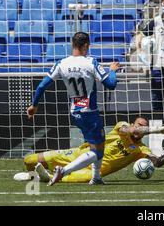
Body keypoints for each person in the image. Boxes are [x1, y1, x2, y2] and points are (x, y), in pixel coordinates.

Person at [26, 32, 120, 186]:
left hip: (74, 111)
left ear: (72, 45)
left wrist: (34, 105)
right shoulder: (91, 63)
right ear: (86, 46)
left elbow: (42, 86)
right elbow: (111, 84)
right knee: (98, 151)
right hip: (89, 111)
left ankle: (96, 178)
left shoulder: (61, 63)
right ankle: (63, 171)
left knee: (96, 144)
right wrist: (113, 70)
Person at [15, 117, 164, 183]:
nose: (141, 128)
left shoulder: (141, 150)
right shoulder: (122, 127)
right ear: (133, 124)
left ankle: (45, 178)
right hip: (79, 153)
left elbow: (157, 163)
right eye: (139, 125)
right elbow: (130, 130)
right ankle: (35, 175)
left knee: (68, 178)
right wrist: (158, 129)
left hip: (93, 171)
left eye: (145, 127)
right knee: (29, 160)